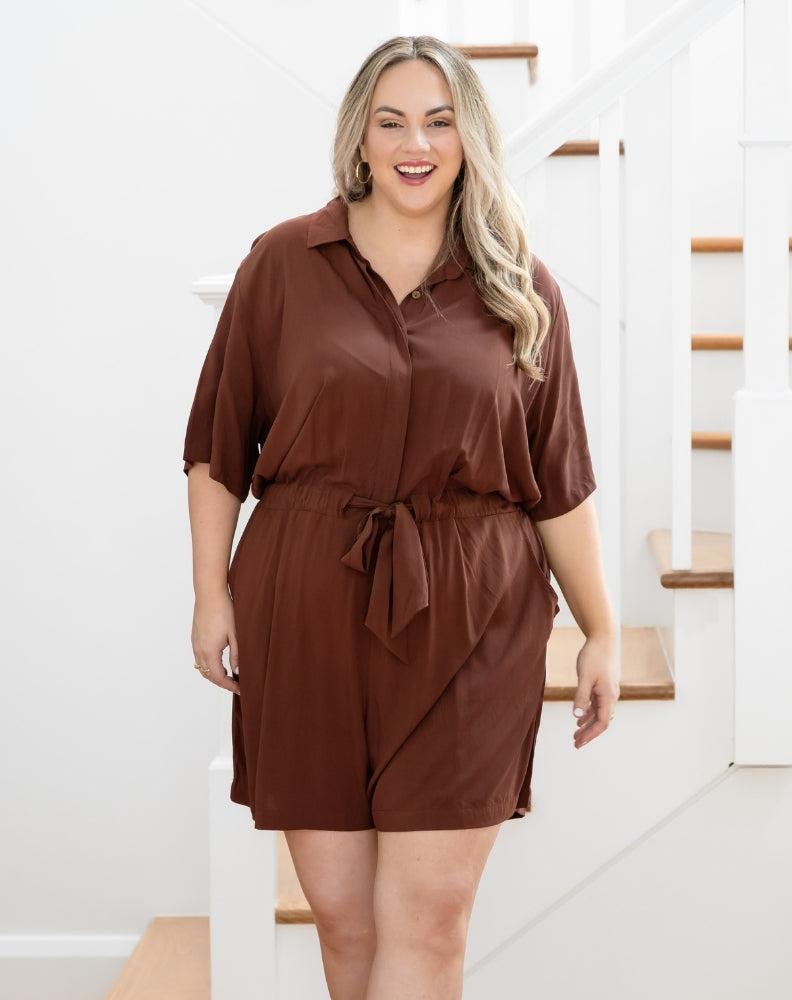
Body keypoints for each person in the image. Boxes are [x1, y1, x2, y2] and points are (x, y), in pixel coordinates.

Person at [184, 34, 619, 1000]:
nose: (415, 142)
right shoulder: (282, 265)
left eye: (438, 120)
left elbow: (557, 480)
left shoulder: (521, 289)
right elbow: (219, 448)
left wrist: (601, 629)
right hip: (306, 605)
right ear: (362, 139)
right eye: (392, 122)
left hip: (471, 618)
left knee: (426, 924)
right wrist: (209, 597)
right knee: (343, 925)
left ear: (469, 138)